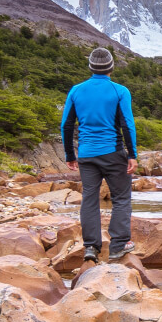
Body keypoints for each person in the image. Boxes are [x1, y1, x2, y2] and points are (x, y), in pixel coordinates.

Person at [61, 47, 137, 262]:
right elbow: (127, 125)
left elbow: (66, 125)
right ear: (111, 68)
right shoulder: (120, 91)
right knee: (121, 198)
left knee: (89, 199)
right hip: (114, 153)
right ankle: (118, 245)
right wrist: (132, 154)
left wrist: (69, 154)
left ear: (91, 67)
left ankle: (91, 248)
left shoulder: (76, 90)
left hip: (86, 155)